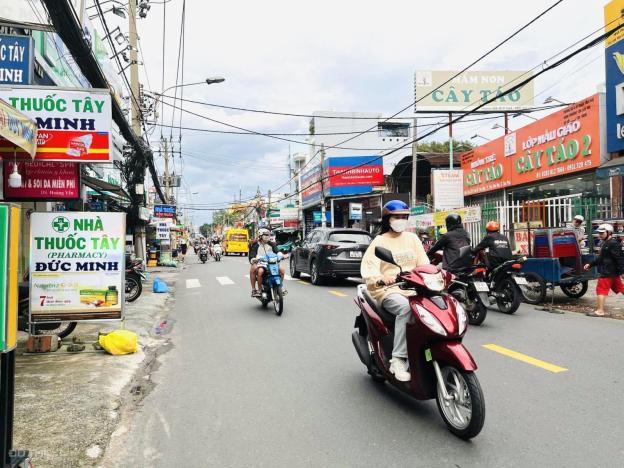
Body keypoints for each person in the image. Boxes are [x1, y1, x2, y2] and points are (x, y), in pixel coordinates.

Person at [361, 200, 430, 382]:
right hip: (390, 290)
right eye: (397, 217)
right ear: (387, 219)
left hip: (414, 289)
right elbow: (369, 267)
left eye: (404, 217)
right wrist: (381, 278)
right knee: (406, 309)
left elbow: (424, 264)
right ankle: (398, 359)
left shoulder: (413, 238)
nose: (401, 220)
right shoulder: (380, 241)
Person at [583, 223, 624, 317]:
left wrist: (622, 272)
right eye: (599, 233)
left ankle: (600, 311)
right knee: (621, 288)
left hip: (608, 272)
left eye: (602, 233)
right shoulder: (606, 243)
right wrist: (590, 264)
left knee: (601, 290)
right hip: (612, 272)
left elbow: (620, 259)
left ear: (609, 233)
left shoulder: (613, 244)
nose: (599, 235)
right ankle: (600, 310)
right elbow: (600, 258)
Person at [249, 228, 286, 297]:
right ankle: (258, 290)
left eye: (268, 235)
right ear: (260, 236)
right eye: (265, 235)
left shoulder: (271, 244)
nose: (267, 236)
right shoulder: (256, 245)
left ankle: (280, 287)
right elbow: (252, 254)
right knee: (260, 272)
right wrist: (253, 259)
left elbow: (277, 251)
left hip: (272, 263)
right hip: (261, 263)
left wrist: (281, 255)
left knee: (282, 270)